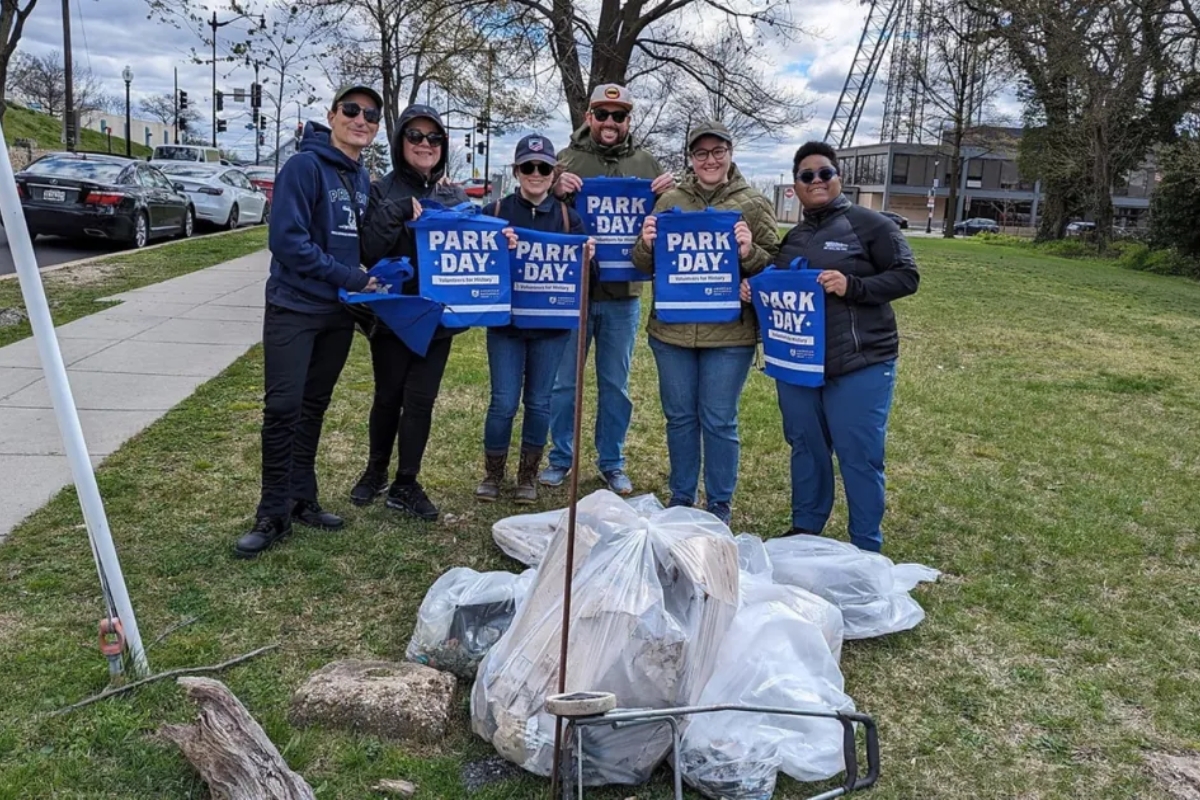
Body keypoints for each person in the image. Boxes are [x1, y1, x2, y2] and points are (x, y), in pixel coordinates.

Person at [741, 140, 919, 552]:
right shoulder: (794, 238)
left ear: (839, 178)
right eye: (807, 176)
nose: (816, 181)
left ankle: (865, 544)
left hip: (860, 361)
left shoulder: (872, 225)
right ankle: (806, 529)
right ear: (796, 186)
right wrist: (755, 288)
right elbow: (779, 284)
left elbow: (907, 277)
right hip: (800, 363)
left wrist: (852, 285)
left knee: (860, 455)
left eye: (825, 173)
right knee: (806, 447)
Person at [235, 85, 383, 558]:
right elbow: (287, 241)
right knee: (283, 408)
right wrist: (349, 277)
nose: (361, 119)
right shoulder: (303, 166)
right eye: (352, 110)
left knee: (314, 407)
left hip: (336, 314)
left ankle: (302, 498)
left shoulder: (360, 178)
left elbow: (362, 242)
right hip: (294, 307)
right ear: (332, 115)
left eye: (371, 115)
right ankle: (271, 512)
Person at [632, 121, 779, 526]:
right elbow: (641, 264)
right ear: (690, 159)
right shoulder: (669, 200)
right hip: (672, 332)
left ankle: (718, 502)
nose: (710, 160)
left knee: (718, 419)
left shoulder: (752, 202)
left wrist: (749, 253)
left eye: (718, 152)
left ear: (730, 153)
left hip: (729, 335)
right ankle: (681, 495)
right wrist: (645, 243)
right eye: (701, 154)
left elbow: (776, 263)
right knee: (679, 417)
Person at [541, 83, 675, 495]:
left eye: (619, 115)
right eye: (603, 114)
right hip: (573, 292)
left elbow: (670, 221)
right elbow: (537, 211)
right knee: (564, 384)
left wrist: (671, 194)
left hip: (624, 296)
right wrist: (553, 190)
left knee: (615, 385)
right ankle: (560, 458)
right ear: (589, 117)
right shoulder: (564, 160)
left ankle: (611, 461)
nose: (611, 122)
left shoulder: (647, 163)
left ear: (628, 120)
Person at [352, 104, 469, 522]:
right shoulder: (381, 190)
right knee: (388, 397)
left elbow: (475, 248)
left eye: (434, 138)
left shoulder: (453, 195)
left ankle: (407, 482)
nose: (425, 144)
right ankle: (376, 470)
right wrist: (396, 212)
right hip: (392, 316)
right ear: (401, 141)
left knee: (421, 400)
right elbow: (366, 249)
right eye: (416, 136)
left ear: (444, 145)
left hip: (437, 318)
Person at [476, 135, 595, 505]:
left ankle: (527, 474)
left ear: (553, 172)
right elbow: (477, 262)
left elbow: (590, 279)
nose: (536, 173)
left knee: (540, 402)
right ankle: (493, 474)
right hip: (506, 326)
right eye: (528, 166)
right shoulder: (494, 213)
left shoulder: (567, 217)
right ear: (516, 171)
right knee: (503, 402)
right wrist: (495, 247)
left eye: (544, 167)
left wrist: (588, 258)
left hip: (551, 328)